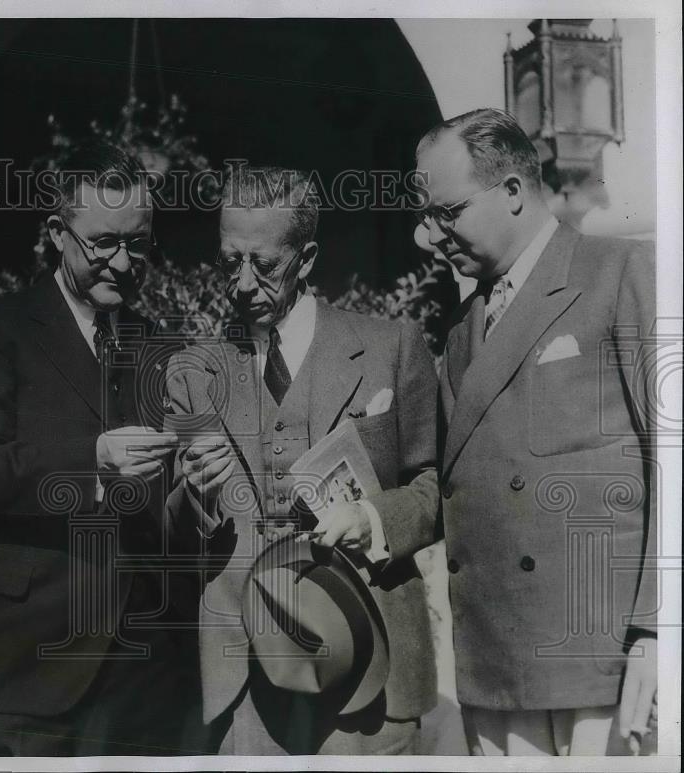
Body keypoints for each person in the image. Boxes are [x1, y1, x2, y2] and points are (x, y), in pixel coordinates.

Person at [0, 141, 199, 756]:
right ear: (57, 232)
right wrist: (94, 462)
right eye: (104, 243)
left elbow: (172, 506)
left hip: (145, 669)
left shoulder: (157, 346)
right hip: (26, 658)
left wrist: (194, 479)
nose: (125, 264)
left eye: (138, 243)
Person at [163, 165, 439, 754]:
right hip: (246, 675)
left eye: (262, 265)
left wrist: (375, 519)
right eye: (227, 260)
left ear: (306, 258)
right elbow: (168, 527)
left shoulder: (393, 348)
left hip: (373, 661)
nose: (240, 283)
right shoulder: (192, 372)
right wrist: (192, 496)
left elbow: (436, 489)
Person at [416, 108, 658, 756]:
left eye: (448, 211)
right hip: (494, 668)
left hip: (596, 661)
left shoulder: (617, 272)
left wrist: (657, 627)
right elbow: (442, 485)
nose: (429, 234)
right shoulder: (464, 330)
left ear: (515, 193)